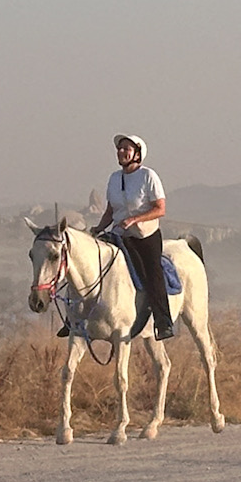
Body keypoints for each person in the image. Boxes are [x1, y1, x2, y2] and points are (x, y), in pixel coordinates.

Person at [96, 133, 174, 342]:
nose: (121, 152)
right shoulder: (114, 178)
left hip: (145, 236)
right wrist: (97, 228)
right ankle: (77, 319)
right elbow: (110, 211)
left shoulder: (148, 176)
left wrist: (135, 220)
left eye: (126, 149)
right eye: (119, 148)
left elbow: (160, 209)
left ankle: (163, 321)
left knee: (152, 272)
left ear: (137, 153)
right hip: (120, 234)